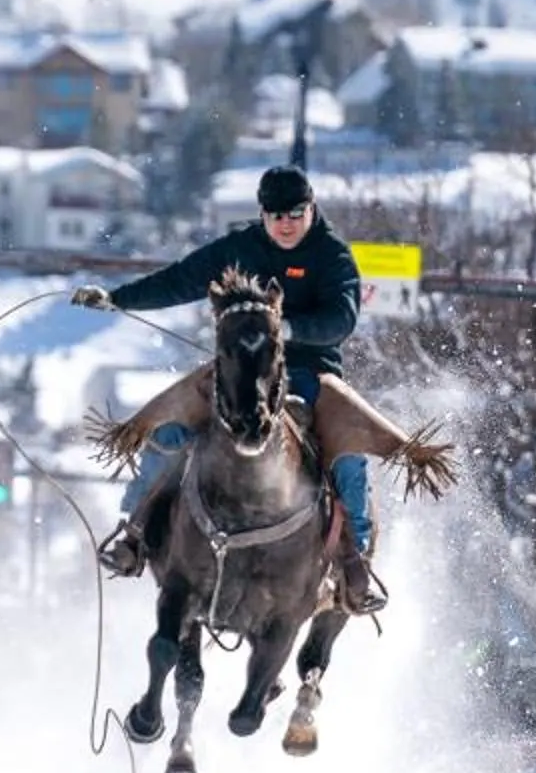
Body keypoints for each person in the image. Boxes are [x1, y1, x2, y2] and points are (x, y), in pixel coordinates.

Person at [74, 165, 446, 613]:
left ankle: (355, 560)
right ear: (263, 215)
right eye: (275, 215)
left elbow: (342, 319)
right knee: (169, 428)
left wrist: (285, 329)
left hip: (310, 374)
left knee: (348, 455)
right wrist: (119, 298)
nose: (285, 223)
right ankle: (133, 532)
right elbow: (180, 279)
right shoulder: (240, 248)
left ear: (311, 209)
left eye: (295, 213)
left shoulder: (332, 256)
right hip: (238, 370)